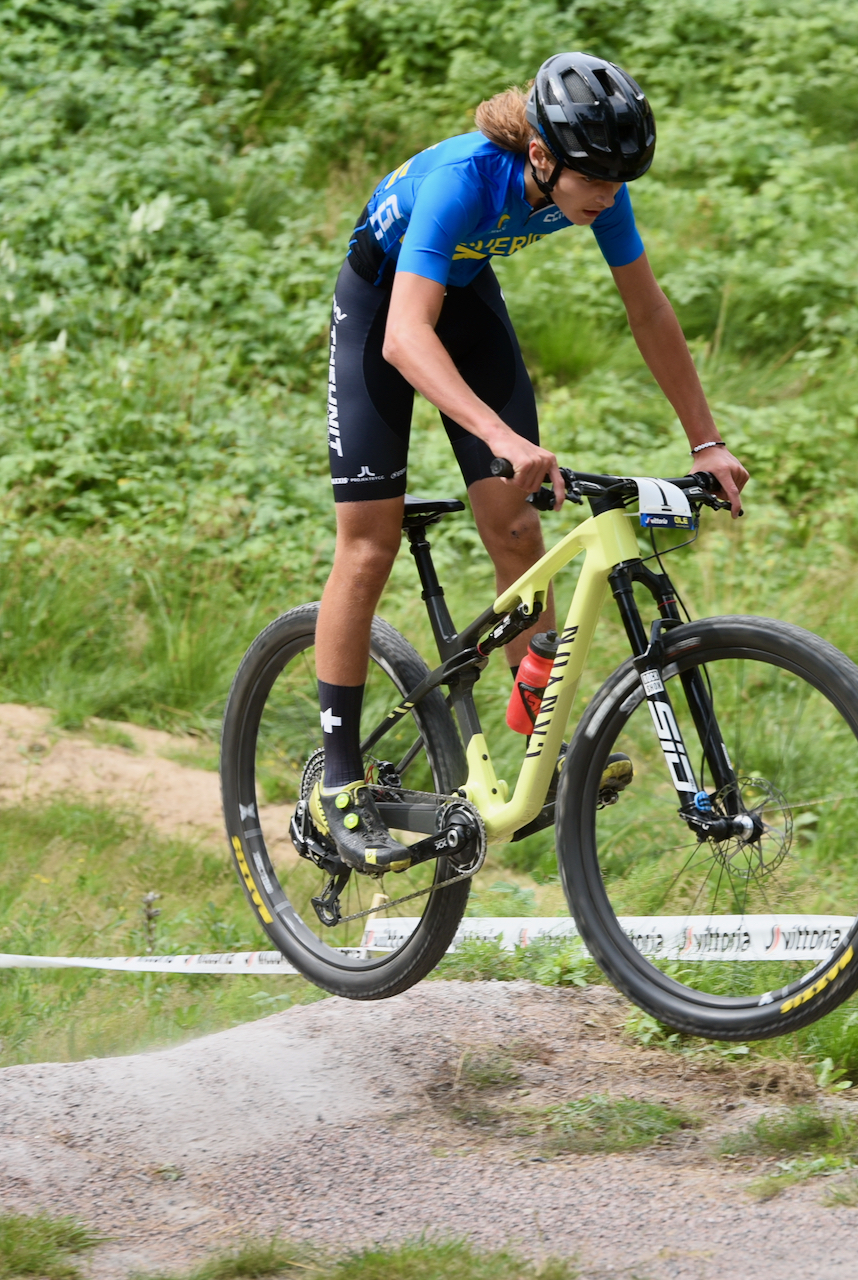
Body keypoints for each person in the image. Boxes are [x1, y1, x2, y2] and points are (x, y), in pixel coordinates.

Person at [310, 52, 749, 870]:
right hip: (382, 309)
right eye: (598, 180)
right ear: (541, 156)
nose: (609, 196)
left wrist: (706, 441)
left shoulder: (595, 186)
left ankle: (537, 751)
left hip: (465, 298)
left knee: (516, 525)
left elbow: (647, 309)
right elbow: (405, 337)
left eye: (622, 182)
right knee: (368, 545)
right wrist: (501, 436)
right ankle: (335, 779)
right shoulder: (463, 181)